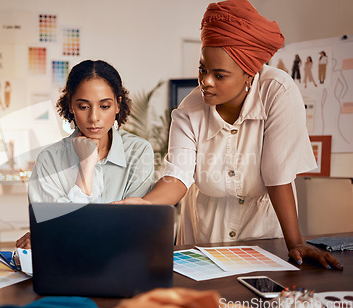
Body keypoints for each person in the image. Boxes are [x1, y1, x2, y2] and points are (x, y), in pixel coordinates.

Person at [115, 0, 341, 270]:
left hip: (263, 236)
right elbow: (178, 177)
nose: (205, 82)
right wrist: (143, 203)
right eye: (202, 69)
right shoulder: (189, 110)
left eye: (219, 75)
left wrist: (295, 243)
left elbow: (277, 174)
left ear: (249, 74)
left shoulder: (277, 92)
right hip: (205, 240)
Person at [16, 60, 155, 249]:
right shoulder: (49, 159)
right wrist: (86, 166)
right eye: (83, 106)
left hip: (122, 261)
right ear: (71, 106)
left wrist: (56, 232)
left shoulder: (138, 152)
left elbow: (135, 228)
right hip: (66, 266)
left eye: (104, 106)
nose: (94, 118)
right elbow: (49, 230)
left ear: (117, 105)